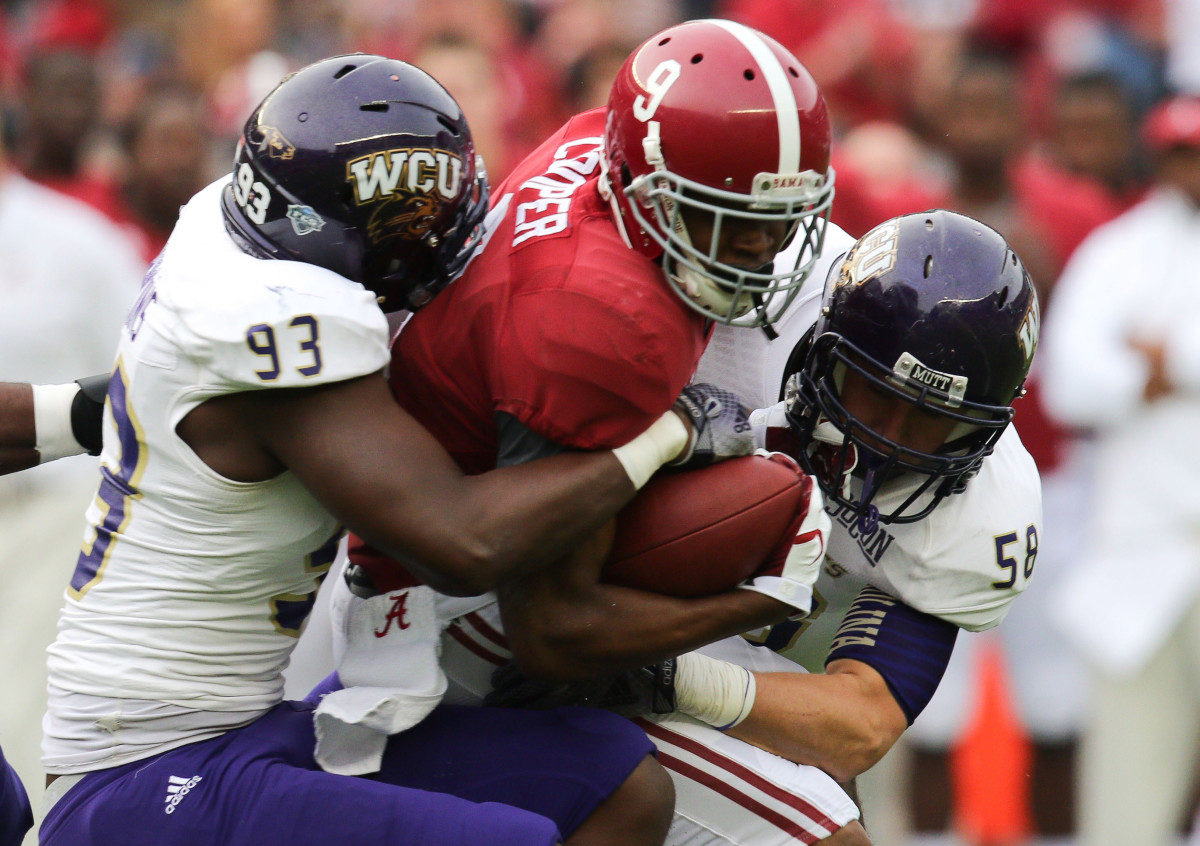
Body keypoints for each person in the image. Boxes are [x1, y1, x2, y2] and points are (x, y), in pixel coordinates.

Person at [32, 52, 733, 846]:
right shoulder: (280, 327)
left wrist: (88, 414)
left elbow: (159, 395)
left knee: (614, 778)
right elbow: (464, 542)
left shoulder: (227, 233)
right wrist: (667, 437)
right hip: (144, 779)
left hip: (239, 728)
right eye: (415, 224)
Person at [313, 15, 859, 843]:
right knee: (822, 834)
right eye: (727, 221)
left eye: (780, 221)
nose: (760, 250)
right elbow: (554, 636)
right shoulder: (603, 320)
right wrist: (759, 591)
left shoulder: (596, 149)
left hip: (448, 549)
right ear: (650, 191)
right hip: (442, 617)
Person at [483, 209, 1043, 846]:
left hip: (691, 643)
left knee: (833, 793)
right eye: (874, 393)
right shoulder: (750, 282)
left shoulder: (985, 514)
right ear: (826, 340)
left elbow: (861, 722)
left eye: (932, 419)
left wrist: (663, 678)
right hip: (548, 564)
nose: (890, 439)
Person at [1040, 93, 1200, 846]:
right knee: (1129, 790)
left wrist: (1169, 359)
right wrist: (1143, 379)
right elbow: (1070, 382)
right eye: (1182, 151)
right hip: (1142, 548)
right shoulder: (1120, 251)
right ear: (1161, 157)